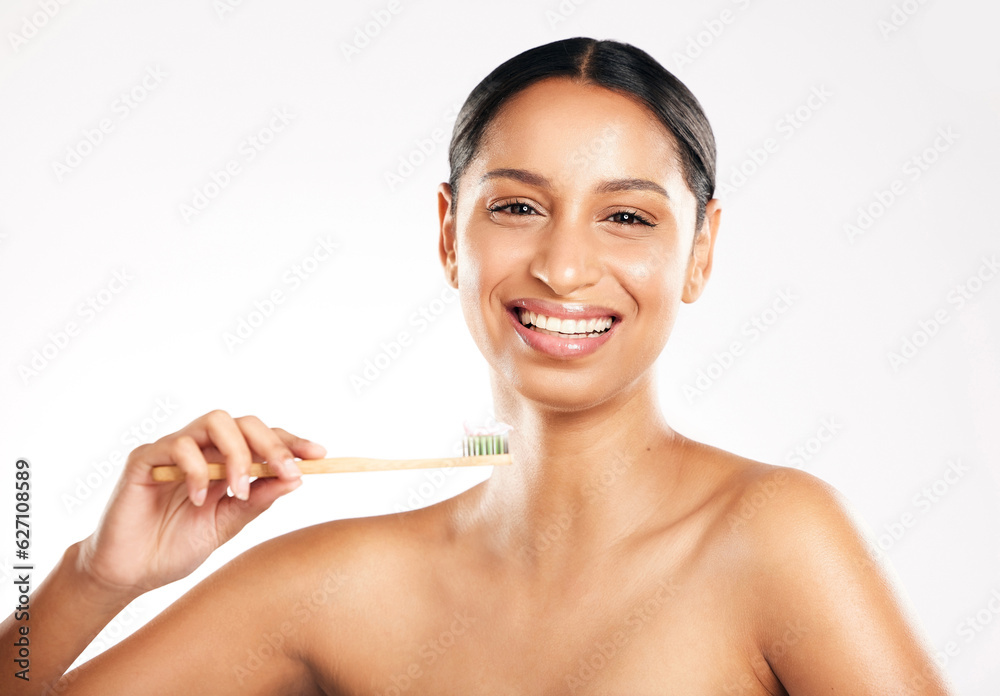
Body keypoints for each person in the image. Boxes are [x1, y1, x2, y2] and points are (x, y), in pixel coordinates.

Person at [2, 37, 955, 695]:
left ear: (700, 253)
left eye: (626, 216)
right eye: (516, 207)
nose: (564, 266)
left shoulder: (772, 538)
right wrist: (95, 577)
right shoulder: (334, 587)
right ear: (450, 236)